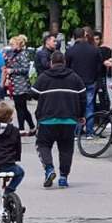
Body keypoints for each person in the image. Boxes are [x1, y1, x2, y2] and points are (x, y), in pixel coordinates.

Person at [31, 51, 86, 188]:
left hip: (47, 119)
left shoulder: (44, 77)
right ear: (65, 62)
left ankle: (49, 169)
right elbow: (83, 98)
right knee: (66, 149)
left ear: (51, 63)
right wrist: (81, 115)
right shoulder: (75, 78)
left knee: (43, 145)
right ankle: (63, 177)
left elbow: (33, 94)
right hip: (69, 120)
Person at [66, 27, 102, 135]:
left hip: (75, 84)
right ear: (84, 36)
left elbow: (67, 68)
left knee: (76, 107)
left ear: (74, 37)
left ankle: (77, 131)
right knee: (89, 106)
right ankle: (89, 132)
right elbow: (99, 67)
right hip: (90, 81)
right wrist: (95, 78)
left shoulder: (70, 51)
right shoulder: (94, 49)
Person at [4, 36, 35, 132]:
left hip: (21, 85)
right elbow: (9, 63)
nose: (11, 46)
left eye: (12, 44)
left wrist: (12, 70)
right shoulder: (13, 54)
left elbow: (25, 69)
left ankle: (21, 128)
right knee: (21, 107)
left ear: (18, 45)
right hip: (14, 84)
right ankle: (32, 127)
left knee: (21, 107)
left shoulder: (23, 54)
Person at [95, 31, 111, 112]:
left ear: (100, 40)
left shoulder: (105, 50)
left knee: (103, 98)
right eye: (94, 39)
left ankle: (104, 115)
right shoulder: (90, 50)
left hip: (102, 77)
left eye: (97, 39)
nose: (95, 41)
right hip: (92, 78)